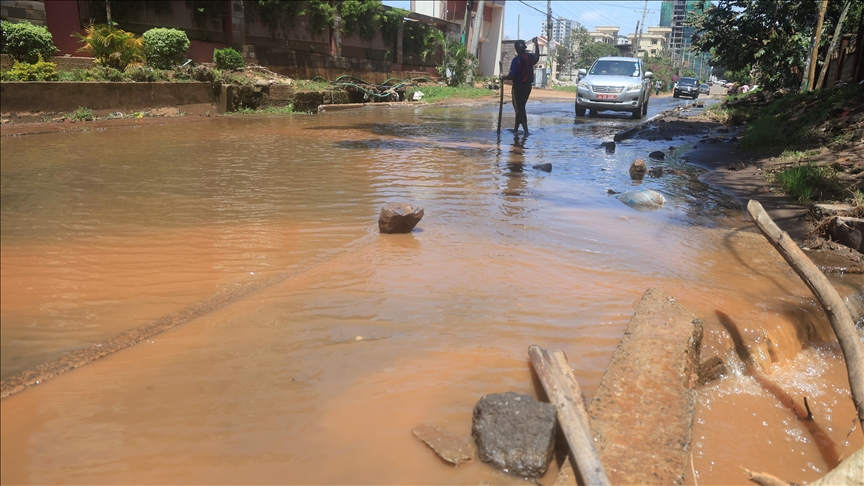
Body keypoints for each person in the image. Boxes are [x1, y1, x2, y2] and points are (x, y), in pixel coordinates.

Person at [503, 38, 540, 134]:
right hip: (527, 87)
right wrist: (536, 45)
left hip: (518, 87)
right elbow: (537, 57)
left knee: (519, 108)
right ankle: (516, 129)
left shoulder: (516, 60)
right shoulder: (530, 57)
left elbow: (512, 76)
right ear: (524, 48)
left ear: (516, 49)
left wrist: (503, 77)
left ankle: (526, 130)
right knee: (521, 107)